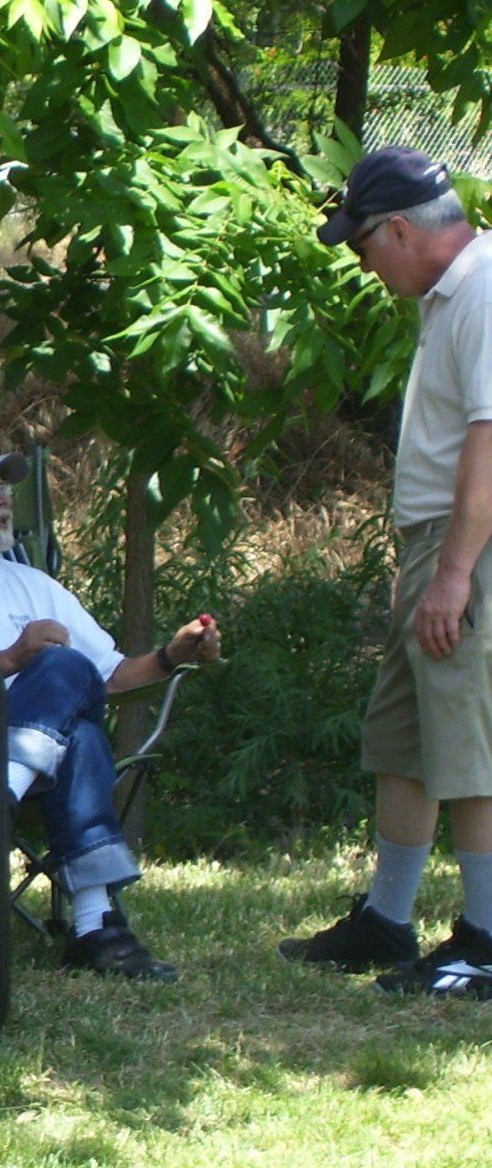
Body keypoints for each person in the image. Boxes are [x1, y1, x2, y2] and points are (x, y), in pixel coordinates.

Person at [0, 438, 222, 981]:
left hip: (12, 783)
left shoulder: (33, 586)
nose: (4, 498)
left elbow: (115, 677)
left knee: (76, 707)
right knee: (72, 704)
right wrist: (9, 659)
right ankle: (98, 926)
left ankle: (6, 797)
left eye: (5, 486)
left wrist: (174, 654)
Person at [281, 146, 492, 1000]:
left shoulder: (481, 290)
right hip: (436, 545)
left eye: (366, 246)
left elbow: (488, 441)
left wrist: (452, 575)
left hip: (467, 544)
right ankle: (387, 918)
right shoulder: (450, 297)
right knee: (403, 734)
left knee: (468, 740)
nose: (366, 265)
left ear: (401, 228)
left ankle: (483, 942)